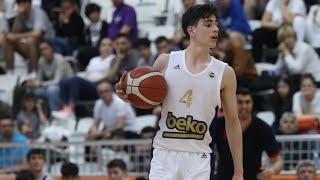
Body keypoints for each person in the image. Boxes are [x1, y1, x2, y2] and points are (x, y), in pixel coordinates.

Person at [116, 4, 244, 180]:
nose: (215, 29)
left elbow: (233, 122)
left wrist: (239, 171)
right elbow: (147, 98)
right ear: (191, 30)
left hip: (199, 156)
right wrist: (128, 96)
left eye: (216, 24)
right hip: (164, 152)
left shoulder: (225, 73)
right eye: (208, 24)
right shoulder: (165, 62)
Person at [215, 88, 283, 180]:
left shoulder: (262, 128)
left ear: (252, 103)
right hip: (223, 177)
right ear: (233, 102)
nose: (244, 106)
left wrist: (272, 171)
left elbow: (278, 160)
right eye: (240, 102)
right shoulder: (219, 124)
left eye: (247, 102)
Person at [52, 37, 115, 119]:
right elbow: (86, 73)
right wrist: (85, 81)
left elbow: (109, 75)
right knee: (63, 81)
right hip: (88, 85)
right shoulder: (94, 60)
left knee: (75, 80)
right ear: (99, 48)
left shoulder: (113, 58)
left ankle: (70, 110)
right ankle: (66, 108)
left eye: (109, 45)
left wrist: (91, 81)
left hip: (100, 87)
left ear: (112, 48)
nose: (106, 47)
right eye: (103, 45)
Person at [5, 0, 54, 73]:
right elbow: (14, 33)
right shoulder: (21, 14)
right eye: (19, 3)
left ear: (30, 3)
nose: (21, 4)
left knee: (31, 40)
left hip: (48, 43)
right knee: (9, 41)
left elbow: (37, 33)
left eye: (24, 2)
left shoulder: (38, 12)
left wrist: (16, 36)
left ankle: (34, 72)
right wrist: (18, 15)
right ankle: (10, 72)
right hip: (29, 43)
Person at [25, 40, 73, 111]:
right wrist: (32, 83)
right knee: (29, 90)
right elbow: (39, 79)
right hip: (50, 86)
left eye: (46, 48)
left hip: (66, 89)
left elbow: (57, 82)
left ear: (52, 49)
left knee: (51, 90)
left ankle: (54, 114)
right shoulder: (41, 60)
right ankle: (32, 116)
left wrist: (39, 84)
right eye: (41, 50)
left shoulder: (60, 60)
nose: (44, 52)